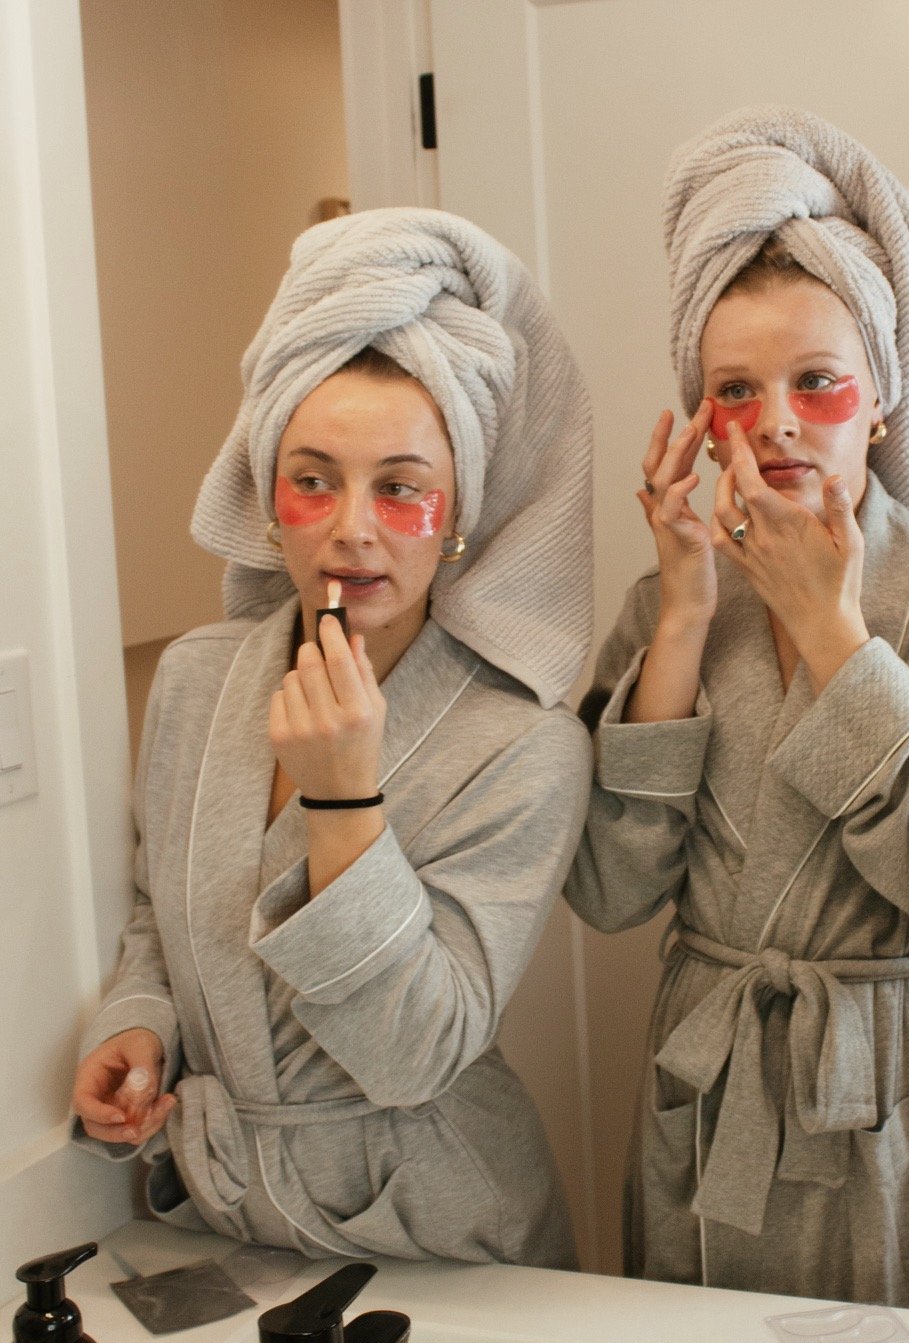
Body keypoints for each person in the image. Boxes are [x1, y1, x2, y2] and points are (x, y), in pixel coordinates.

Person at [72, 208, 594, 1268]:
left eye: (399, 489)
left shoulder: (522, 741)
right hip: (220, 1218)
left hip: (443, 1235)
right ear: (269, 503)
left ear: (456, 516)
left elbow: (419, 1053)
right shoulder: (194, 679)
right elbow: (153, 911)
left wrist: (347, 804)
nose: (350, 526)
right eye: (313, 479)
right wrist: (137, 1024)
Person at [566, 106, 909, 1316]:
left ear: (878, 403)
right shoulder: (670, 603)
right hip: (718, 1089)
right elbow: (607, 894)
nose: (772, 423)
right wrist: (676, 619)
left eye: (817, 383)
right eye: (733, 391)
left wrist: (827, 630)